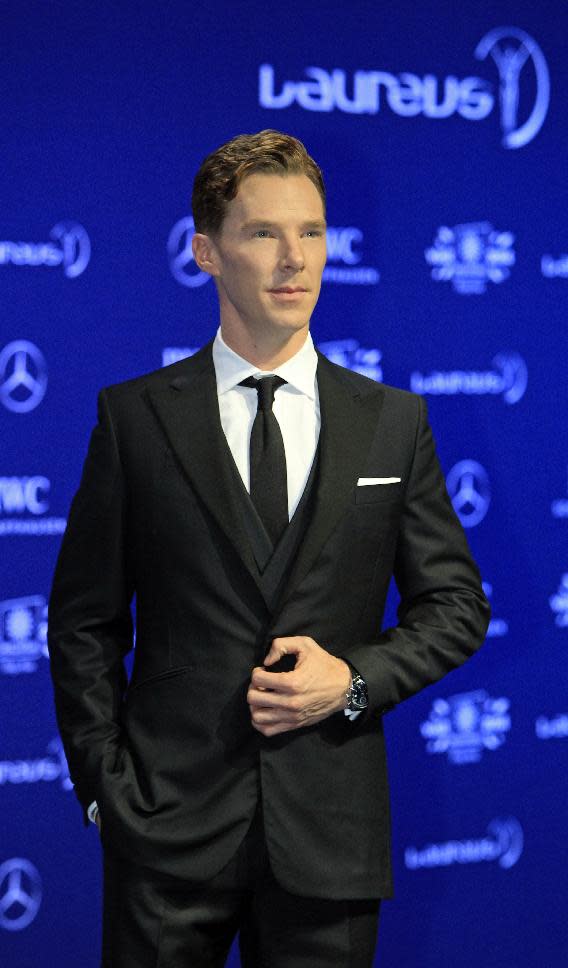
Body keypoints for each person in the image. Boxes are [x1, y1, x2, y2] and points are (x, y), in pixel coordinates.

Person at [48, 129, 490, 967]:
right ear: (205, 253)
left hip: (329, 835)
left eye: (313, 232)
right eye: (264, 234)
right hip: (165, 834)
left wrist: (354, 679)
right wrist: (107, 788)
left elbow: (457, 606)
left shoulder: (394, 423)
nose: (296, 260)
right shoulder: (135, 420)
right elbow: (83, 621)